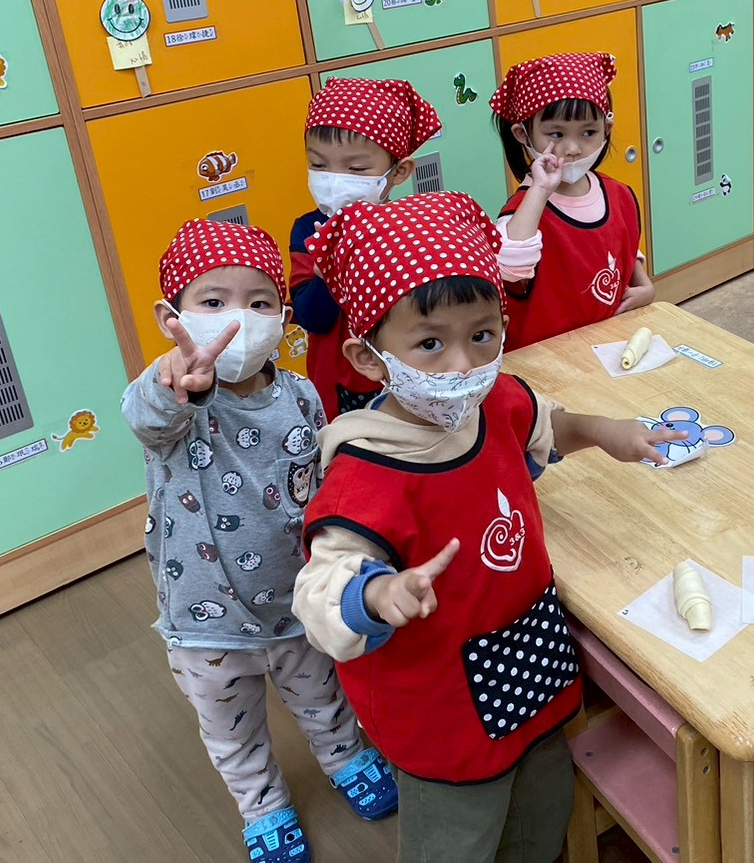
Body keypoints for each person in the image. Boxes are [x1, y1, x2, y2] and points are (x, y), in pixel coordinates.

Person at [291, 192, 685, 862]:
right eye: (429, 343)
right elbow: (319, 590)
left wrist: (603, 431)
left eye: (481, 335)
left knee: (542, 812)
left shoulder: (493, 400)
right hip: (440, 710)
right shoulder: (364, 475)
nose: (462, 365)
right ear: (369, 358)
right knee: (460, 838)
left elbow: (544, 425)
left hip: (528, 660)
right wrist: (377, 594)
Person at [121, 219, 397, 863]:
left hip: (295, 599)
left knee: (323, 694)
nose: (237, 318)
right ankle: (263, 805)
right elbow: (144, 417)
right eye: (213, 301)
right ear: (172, 318)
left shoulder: (300, 394)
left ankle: (345, 757)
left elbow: (322, 478)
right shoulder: (176, 399)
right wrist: (175, 382)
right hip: (205, 619)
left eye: (259, 301)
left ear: (283, 317)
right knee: (230, 727)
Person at [289, 77, 442, 419]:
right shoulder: (307, 231)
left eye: (356, 168)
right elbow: (312, 319)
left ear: (399, 171)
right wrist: (325, 275)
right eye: (319, 165)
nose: (334, 179)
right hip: (338, 381)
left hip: (407, 374)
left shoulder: (410, 226)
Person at [492, 52, 652, 349]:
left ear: (607, 129)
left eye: (588, 132)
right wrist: (540, 190)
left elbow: (622, 249)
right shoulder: (524, 212)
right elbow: (508, 267)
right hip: (547, 360)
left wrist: (644, 287)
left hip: (607, 348)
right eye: (556, 134)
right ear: (523, 134)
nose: (574, 148)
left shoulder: (620, 194)